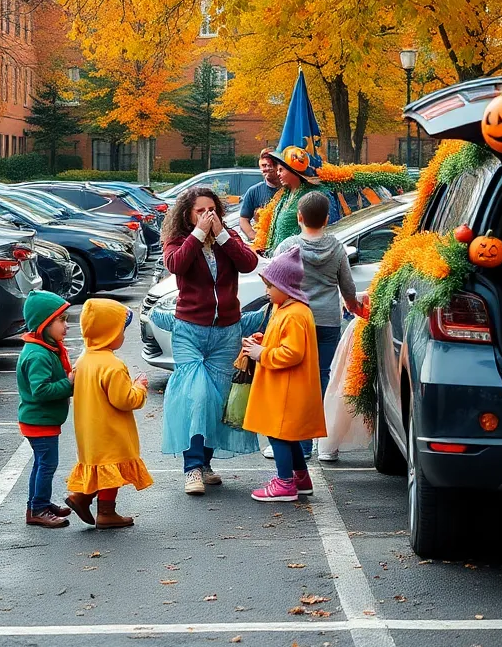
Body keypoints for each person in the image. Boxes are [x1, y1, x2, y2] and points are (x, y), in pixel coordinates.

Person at [156, 187, 262, 496]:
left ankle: (205, 463)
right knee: (197, 395)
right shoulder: (179, 241)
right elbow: (176, 265)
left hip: (226, 330)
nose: (207, 215)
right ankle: (191, 468)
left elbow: (249, 263)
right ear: (188, 215)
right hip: (191, 329)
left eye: (211, 209)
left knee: (217, 399)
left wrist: (222, 236)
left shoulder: (228, 239)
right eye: (200, 211)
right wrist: (198, 235)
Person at [271, 191, 363, 462]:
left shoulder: (287, 247)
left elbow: (275, 285)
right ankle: (315, 442)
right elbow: (347, 287)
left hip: (294, 321)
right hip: (326, 321)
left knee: (292, 380)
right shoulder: (336, 248)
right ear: (326, 218)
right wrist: (352, 305)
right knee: (320, 379)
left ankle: (293, 441)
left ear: (299, 217)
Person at [240, 246, 324, 502]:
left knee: (278, 433)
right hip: (285, 387)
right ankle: (300, 478)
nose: (266, 292)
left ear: (285, 287)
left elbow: (292, 353)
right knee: (288, 435)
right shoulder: (287, 309)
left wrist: (261, 353)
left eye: (269, 286)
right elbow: (286, 343)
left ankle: (285, 483)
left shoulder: (294, 314)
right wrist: (264, 341)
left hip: (286, 389)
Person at [64, 299, 153, 528]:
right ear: (108, 333)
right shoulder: (112, 365)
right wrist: (140, 388)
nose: (123, 336)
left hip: (88, 429)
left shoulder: (83, 360)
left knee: (102, 469)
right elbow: (124, 400)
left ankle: (82, 498)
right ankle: (105, 512)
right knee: (111, 470)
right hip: (110, 430)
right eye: (120, 331)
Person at [17, 290, 76, 529]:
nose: (66, 326)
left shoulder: (46, 348)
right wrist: (69, 383)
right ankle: (39, 508)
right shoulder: (38, 355)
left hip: (42, 421)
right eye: (61, 320)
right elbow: (40, 391)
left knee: (41, 464)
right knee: (47, 464)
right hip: (39, 421)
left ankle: (37, 503)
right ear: (44, 324)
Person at [257, 147, 340, 253]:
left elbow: (330, 229)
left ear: (293, 171)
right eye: (277, 170)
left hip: (302, 260)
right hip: (279, 259)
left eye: (281, 170)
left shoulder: (314, 195)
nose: (277, 173)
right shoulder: (285, 195)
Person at [239, 149, 281, 242]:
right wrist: (254, 236)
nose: (266, 169)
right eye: (263, 166)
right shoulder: (253, 191)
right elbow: (243, 219)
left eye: (269, 165)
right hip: (264, 246)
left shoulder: (290, 189)